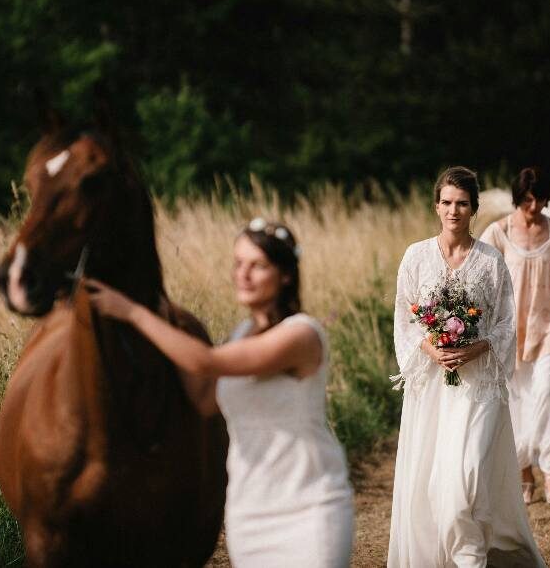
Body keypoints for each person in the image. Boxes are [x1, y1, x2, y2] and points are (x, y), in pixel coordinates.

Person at [86, 218, 354, 567]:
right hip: (248, 513)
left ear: (286, 275)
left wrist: (132, 312)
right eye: (238, 263)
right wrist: (164, 321)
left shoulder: (301, 335)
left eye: (257, 265)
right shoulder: (240, 334)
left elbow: (204, 361)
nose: (243, 275)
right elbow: (203, 399)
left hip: (307, 509)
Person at [388, 166, 545, 567]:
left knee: (466, 479)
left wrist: (475, 348)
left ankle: (471, 556)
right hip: (433, 389)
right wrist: (431, 349)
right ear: (435, 206)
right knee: (433, 484)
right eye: (446, 202)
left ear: (474, 208)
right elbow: (405, 318)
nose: (453, 211)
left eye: (461, 204)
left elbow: (506, 323)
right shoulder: (416, 257)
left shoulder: (491, 261)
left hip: (480, 386)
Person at [480, 167, 550, 506]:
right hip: (511, 329)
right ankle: (526, 474)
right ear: (517, 198)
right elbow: (483, 284)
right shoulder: (498, 233)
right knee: (517, 401)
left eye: (539, 199)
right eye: (527, 200)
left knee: (545, 390)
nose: (534, 206)